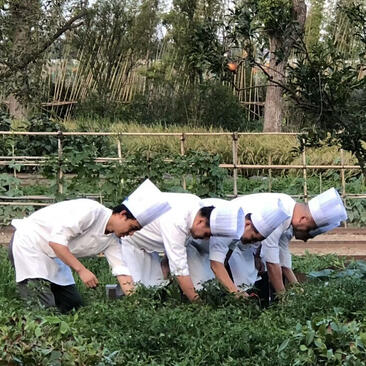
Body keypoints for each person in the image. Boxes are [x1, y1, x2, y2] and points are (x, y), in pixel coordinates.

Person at [8, 179, 171, 313]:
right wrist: (82, 270)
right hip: (31, 244)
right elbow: (56, 242)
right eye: (132, 228)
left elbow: (122, 271)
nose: (131, 233)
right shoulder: (91, 211)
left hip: (55, 255)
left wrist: (136, 304)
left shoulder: (112, 239)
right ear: (122, 215)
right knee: (43, 309)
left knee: (74, 306)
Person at [118, 192, 244, 302]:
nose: (205, 238)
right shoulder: (178, 221)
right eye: (206, 234)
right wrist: (197, 303)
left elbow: (175, 244)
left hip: (154, 241)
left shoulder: (195, 204)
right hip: (134, 239)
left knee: (155, 288)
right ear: (200, 221)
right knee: (137, 292)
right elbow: (180, 270)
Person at [233, 187, 348, 296]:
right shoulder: (278, 214)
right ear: (302, 219)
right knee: (236, 290)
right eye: (308, 230)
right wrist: (283, 298)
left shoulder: (289, 211)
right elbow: (272, 262)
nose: (305, 239)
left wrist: (297, 288)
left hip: (244, 248)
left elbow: (283, 256)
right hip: (232, 242)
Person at [187, 197, 290, 296]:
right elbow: (216, 264)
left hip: (207, 249)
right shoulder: (228, 224)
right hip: (193, 244)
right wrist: (235, 293)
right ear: (248, 224)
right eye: (253, 238)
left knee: (215, 286)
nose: (251, 242)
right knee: (200, 289)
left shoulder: (240, 227)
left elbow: (226, 256)